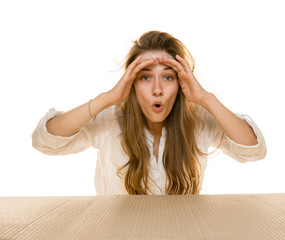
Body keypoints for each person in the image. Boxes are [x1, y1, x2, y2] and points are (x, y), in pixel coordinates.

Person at [32, 30, 266, 195]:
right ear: (131, 82)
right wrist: (107, 98)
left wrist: (206, 98)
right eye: (145, 77)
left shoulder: (198, 121)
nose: (157, 90)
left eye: (168, 77)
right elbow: (45, 140)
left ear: (181, 83)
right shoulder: (110, 119)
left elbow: (254, 150)